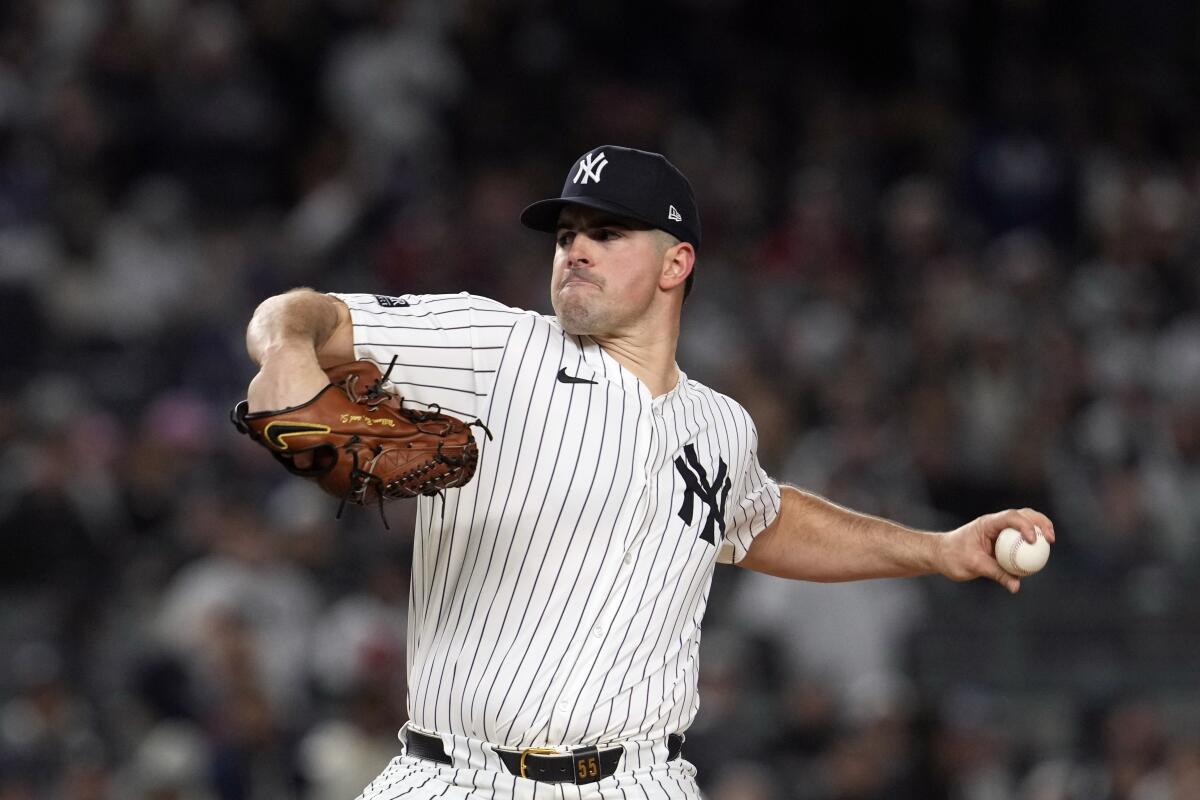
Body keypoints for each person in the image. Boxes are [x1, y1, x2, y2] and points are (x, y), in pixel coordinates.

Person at [242, 145, 1056, 799]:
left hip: (639, 781)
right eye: (566, 235)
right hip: (456, 775)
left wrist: (938, 550)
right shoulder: (495, 347)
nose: (576, 250)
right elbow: (299, 314)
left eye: (608, 233)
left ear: (676, 265)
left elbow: (764, 521)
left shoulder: (720, 424)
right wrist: (284, 348)